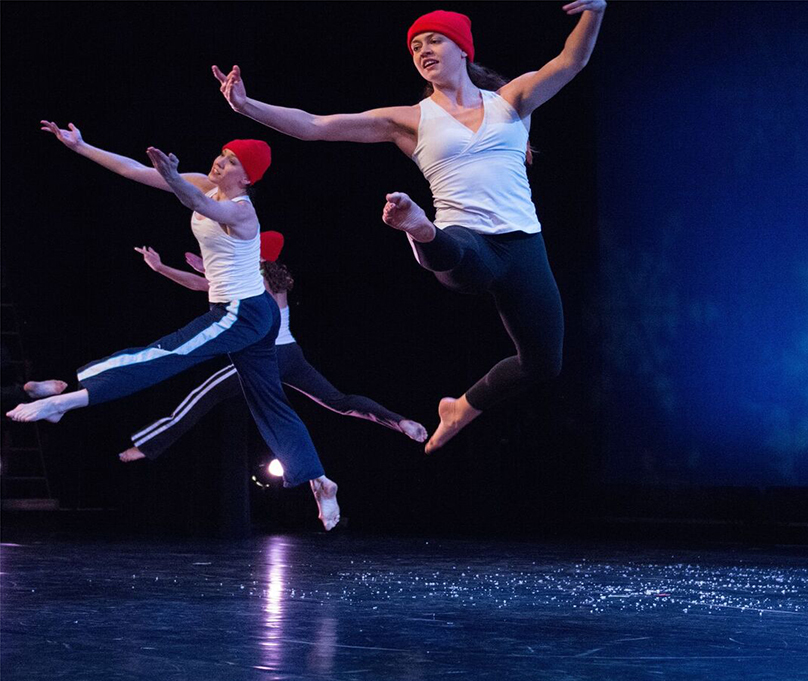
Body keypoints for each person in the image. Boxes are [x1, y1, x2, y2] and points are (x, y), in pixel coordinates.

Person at [212, 2, 606, 453]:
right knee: (457, 254)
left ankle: (459, 408)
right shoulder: (411, 119)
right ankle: (417, 226)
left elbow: (570, 61)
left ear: (462, 50)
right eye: (415, 46)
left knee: (543, 364)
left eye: (434, 40)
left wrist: (596, 10)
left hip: (523, 245)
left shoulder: (511, 101)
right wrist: (246, 106)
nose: (423, 50)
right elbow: (316, 126)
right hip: (461, 241)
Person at [9, 121, 341, 530]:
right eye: (223, 153)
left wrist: (171, 176)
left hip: (242, 312)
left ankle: (66, 398)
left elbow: (204, 208)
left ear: (248, 176)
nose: (220, 161)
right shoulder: (205, 182)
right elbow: (132, 170)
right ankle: (321, 481)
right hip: (251, 312)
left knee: (165, 354)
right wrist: (81, 146)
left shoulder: (242, 211)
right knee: (268, 400)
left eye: (232, 160)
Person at [121, 232, 427, 463]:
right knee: (339, 400)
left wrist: (163, 269)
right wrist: (204, 272)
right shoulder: (271, 277)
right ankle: (400, 421)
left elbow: (204, 285)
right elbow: (210, 283)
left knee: (202, 396)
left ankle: (148, 445)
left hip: (266, 358)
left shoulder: (254, 276)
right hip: (291, 355)